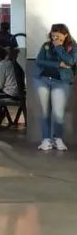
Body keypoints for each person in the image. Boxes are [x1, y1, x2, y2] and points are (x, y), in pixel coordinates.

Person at [35, 23, 76, 151]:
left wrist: (59, 48)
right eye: (53, 36)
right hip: (44, 80)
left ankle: (58, 139)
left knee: (58, 114)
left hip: (61, 82)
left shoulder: (72, 47)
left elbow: (70, 61)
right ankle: (46, 139)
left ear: (65, 35)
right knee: (45, 111)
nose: (55, 39)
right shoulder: (46, 46)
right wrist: (58, 64)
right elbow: (39, 61)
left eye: (58, 37)